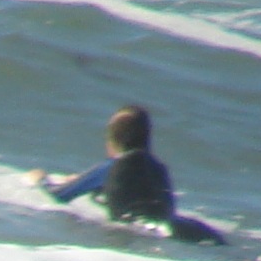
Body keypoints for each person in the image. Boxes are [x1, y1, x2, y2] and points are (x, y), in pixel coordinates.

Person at [32, 104, 224, 245]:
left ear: (112, 143)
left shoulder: (111, 167)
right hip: (182, 227)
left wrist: (40, 180)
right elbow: (137, 198)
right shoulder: (159, 168)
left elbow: (58, 196)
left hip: (143, 233)